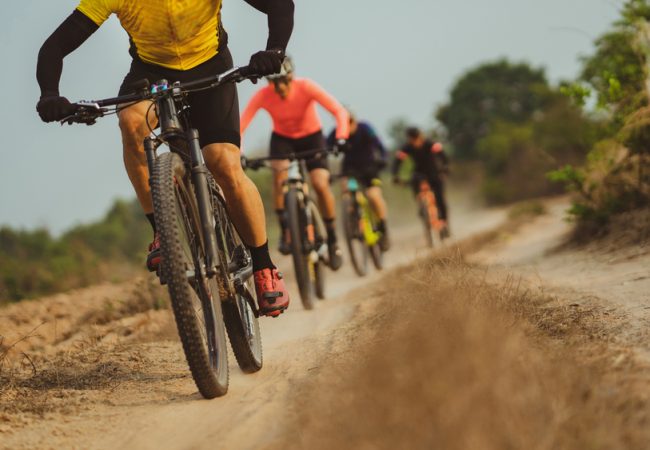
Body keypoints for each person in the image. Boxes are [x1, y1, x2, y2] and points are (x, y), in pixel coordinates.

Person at [35, 0, 295, 318]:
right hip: (151, 72)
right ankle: (161, 231)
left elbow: (280, 5)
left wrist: (275, 50)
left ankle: (263, 267)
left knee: (223, 162)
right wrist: (49, 93)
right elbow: (55, 46)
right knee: (131, 124)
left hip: (210, 65)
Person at [240, 57, 349, 270]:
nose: (278, 87)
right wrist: (240, 152)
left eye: (282, 81)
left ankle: (333, 238)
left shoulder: (306, 86)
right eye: (273, 82)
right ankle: (285, 230)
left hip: (311, 137)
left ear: (291, 77)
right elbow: (241, 126)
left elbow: (339, 111)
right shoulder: (263, 95)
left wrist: (342, 136)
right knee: (279, 175)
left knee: (319, 183)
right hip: (283, 140)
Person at [327, 112, 390, 250]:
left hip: (370, 168)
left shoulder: (365, 128)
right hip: (349, 170)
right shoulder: (335, 133)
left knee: (373, 196)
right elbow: (325, 150)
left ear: (354, 120)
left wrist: (384, 158)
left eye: (349, 121)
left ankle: (382, 227)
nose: (346, 125)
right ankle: (353, 218)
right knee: (346, 191)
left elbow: (379, 144)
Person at [392, 127, 450, 237]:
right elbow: (397, 161)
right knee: (415, 183)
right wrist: (395, 175)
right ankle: (421, 206)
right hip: (418, 174)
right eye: (412, 139)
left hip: (434, 172)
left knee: (440, 199)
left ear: (420, 136)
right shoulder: (407, 148)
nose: (414, 141)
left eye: (416, 138)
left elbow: (442, 155)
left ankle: (444, 223)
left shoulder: (430, 144)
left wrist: (445, 167)